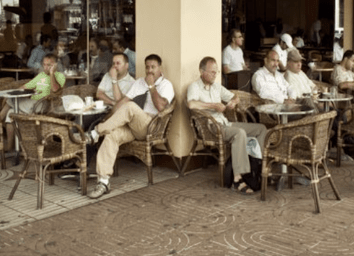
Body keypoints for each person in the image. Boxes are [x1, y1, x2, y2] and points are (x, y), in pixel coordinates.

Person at [85, 54, 174, 199]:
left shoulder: (166, 85)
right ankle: (104, 182)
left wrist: (151, 86)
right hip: (133, 126)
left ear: (160, 68)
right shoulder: (139, 83)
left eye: (153, 67)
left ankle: (95, 133)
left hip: (150, 126)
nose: (150, 70)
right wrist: (112, 119)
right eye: (147, 67)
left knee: (130, 107)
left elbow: (160, 107)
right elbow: (122, 102)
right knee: (111, 136)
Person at [187, 56, 267, 194]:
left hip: (225, 123)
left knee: (261, 129)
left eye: (216, 72)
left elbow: (234, 97)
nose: (214, 75)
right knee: (239, 133)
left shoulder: (216, 86)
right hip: (211, 127)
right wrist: (213, 105)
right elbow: (191, 104)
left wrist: (232, 103)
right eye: (212, 72)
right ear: (201, 71)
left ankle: (255, 168)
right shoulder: (194, 87)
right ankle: (237, 179)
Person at [0, 53, 65, 152]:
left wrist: (52, 73)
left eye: (49, 65)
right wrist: (15, 91)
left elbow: (55, 89)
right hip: (31, 104)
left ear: (55, 65)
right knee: (10, 114)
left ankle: (1, 116)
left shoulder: (60, 76)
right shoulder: (41, 75)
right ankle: (10, 147)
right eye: (44, 64)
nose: (46, 67)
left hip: (43, 105)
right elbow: (26, 86)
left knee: (10, 101)